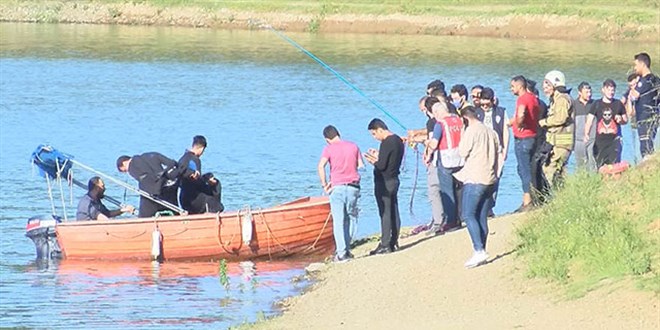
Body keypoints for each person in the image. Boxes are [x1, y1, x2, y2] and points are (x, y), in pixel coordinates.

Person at [453, 107, 499, 268]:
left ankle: (479, 249)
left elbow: (462, 152)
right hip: (490, 178)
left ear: (465, 118)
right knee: (481, 216)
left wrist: (463, 133)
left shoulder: (471, 131)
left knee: (468, 214)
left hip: (475, 178)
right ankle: (482, 249)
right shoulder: (490, 131)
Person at [317, 125, 363, 262]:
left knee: (338, 221)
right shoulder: (353, 146)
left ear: (327, 139)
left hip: (337, 187)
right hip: (354, 186)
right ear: (338, 134)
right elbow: (360, 165)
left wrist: (325, 184)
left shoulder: (328, 149)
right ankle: (348, 250)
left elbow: (321, 166)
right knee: (351, 218)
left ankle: (341, 253)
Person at [364, 119, 404, 255]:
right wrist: (378, 156)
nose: (374, 137)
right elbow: (389, 160)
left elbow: (382, 165)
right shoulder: (398, 140)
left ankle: (385, 243)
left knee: (385, 212)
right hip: (394, 179)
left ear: (380, 130)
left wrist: (373, 160)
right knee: (394, 210)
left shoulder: (387, 142)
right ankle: (394, 241)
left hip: (385, 181)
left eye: (374, 134)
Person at [408, 96, 445, 233]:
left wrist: (426, 153)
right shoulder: (446, 120)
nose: (423, 112)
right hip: (446, 160)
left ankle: (438, 222)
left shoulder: (432, 122)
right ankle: (441, 219)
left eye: (423, 109)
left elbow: (431, 141)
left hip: (436, 161)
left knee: (434, 191)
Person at [427, 101, 464, 234]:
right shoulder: (459, 120)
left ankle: (451, 221)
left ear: (437, 112)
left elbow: (434, 144)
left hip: (446, 160)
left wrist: (427, 144)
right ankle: (461, 217)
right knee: (460, 190)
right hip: (461, 159)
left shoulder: (440, 124)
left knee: (447, 191)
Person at [538, 70, 574, 190]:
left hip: (562, 143)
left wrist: (544, 122)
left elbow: (560, 118)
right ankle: (563, 197)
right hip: (556, 143)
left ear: (555, 84)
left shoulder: (562, 99)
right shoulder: (555, 99)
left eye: (547, 84)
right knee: (559, 172)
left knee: (550, 170)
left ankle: (559, 198)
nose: (544, 87)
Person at [509, 75, 539, 212]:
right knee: (527, 168)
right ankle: (533, 196)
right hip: (532, 137)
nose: (511, 89)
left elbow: (521, 114)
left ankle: (527, 201)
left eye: (512, 86)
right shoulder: (533, 97)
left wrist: (519, 123)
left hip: (523, 138)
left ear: (520, 86)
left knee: (523, 169)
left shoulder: (522, 99)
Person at [116, 152, 179, 218]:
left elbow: (145, 180)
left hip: (154, 192)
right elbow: (171, 163)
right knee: (173, 208)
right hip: (170, 184)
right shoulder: (151, 155)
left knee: (145, 212)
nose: (127, 172)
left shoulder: (132, 165)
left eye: (125, 170)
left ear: (123, 163)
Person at [478, 87, 509, 216]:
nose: (485, 107)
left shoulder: (501, 112)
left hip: (498, 151)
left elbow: (505, 132)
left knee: (496, 177)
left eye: (487, 104)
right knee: (482, 178)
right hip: (481, 151)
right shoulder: (477, 113)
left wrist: (505, 151)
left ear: (493, 100)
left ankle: (490, 206)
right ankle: (483, 206)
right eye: (482, 104)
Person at [175, 135, 224, 214]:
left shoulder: (182, 159)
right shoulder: (195, 160)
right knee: (216, 201)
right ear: (201, 148)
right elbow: (197, 181)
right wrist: (208, 181)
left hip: (183, 199)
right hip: (193, 199)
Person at [584, 79, 628, 167]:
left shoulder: (618, 103)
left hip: (615, 141)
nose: (611, 92)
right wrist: (586, 134)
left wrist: (621, 121)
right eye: (608, 90)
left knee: (614, 166)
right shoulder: (596, 104)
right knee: (601, 166)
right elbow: (589, 120)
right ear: (603, 90)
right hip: (600, 141)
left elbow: (626, 120)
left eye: (613, 90)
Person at [628, 52, 659, 158]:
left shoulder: (645, 81)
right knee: (648, 143)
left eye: (636, 65)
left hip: (645, 118)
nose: (635, 68)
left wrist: (631, 90)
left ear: (642, 64)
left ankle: (648, 168)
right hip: (653, 118)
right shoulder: (656, 80)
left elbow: (634, 95)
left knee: (645, 146)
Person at [573, 82, 596, 170]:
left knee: (593, 165)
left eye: (590, 92)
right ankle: (582, 182)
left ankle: (594, 182)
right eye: (586, 92)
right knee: (581, 166)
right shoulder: (574, 105)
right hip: (578, 140)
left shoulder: (594, 104)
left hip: (592, 140)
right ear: (579, 92)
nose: (589, 94)